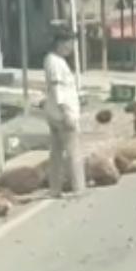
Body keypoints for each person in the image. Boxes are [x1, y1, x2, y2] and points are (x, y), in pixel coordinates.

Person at [44, 28, 84, 197]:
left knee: (56, 154)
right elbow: (57, 88)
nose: (70, 48)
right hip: (62, 114)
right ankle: (78, 188)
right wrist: (66, 111)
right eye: (69, 44)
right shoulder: (54, 62)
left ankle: (55, 188)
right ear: (60, 43)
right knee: (73, 151)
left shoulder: (55, 60)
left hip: (54, 113)